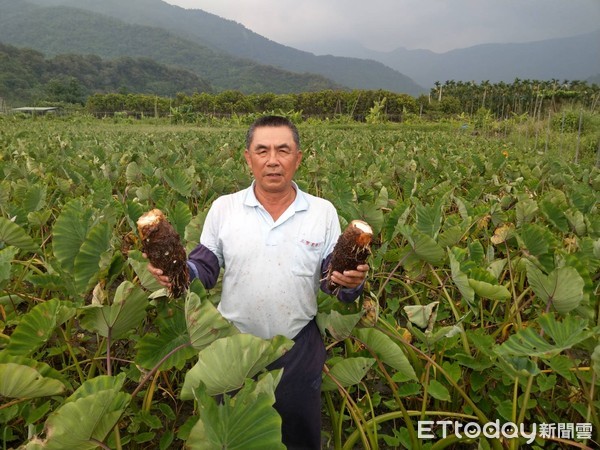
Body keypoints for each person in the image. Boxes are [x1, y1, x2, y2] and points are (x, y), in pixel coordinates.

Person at [147, 115, 368, 449]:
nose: (273, 160)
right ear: (248, 158)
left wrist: (351, 282)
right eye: (262, 150)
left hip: (297, 345)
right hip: (234, 346)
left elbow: (331, 281)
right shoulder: (225, 208)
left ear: (298, 157)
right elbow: (204, 268)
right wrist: (178, 272)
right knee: (234, 437)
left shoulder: (322, 212)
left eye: (283, 150)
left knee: (299, 438)